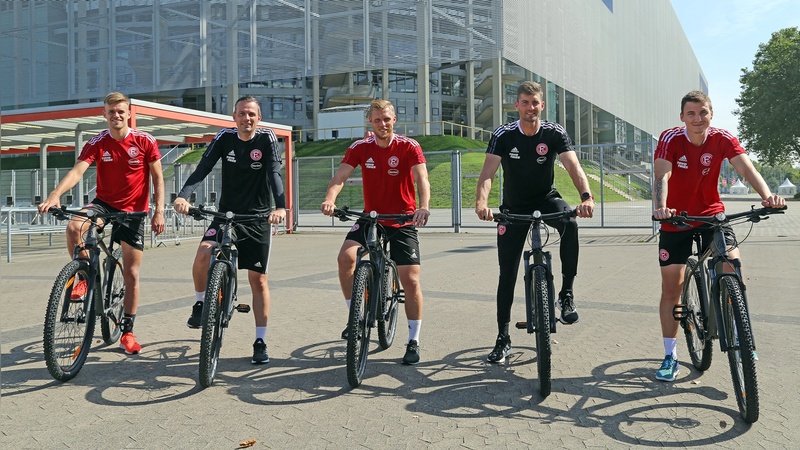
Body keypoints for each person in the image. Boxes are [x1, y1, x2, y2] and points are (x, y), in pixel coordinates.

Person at [652, 90, 785, 381]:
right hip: (676, 219)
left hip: (712, 215)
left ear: (711, 114)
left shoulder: (722, 138)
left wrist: (767, 196)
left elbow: (746, 168)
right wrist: (661, 207)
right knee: (671, 290)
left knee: (733, 269)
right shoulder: (670, 138)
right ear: (682, 117)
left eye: (703, 112)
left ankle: (742, 337)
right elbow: (662, 174)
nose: (697, 119)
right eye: (691, 113)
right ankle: (669, 356)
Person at [475, 81, 594, 364]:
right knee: (507, 274)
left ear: (542, 105)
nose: (531, 108)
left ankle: (566, 294)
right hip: (513, 207)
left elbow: (573, 166)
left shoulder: (554, 133)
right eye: (525, 103)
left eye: (535, 103)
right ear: (517, 106)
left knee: (570, 223)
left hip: (545, 199)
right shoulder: (503, 135)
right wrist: (482, 203)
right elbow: (488, 173)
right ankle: (502, 338)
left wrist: (586, 197)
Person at [38, 91, 166, 355]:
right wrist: (55, 194)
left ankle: (127, 332)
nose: (116, 115)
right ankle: (83, 274)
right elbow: (78, 170)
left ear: (129, 112)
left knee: (131, 273)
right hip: (104, 204)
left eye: (121, 111)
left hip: (134, 211)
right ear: (104, 114)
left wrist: (159, 211)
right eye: (111, 111)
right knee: (75, 226)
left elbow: (158, 178)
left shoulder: (145, 140)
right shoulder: (98, 142)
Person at [173, 96, 286, 365]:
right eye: (241, 114)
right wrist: (183, 196)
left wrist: (280, 208)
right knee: (203, 254)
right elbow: (203, 167)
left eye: (251, 114)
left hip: (258, 218)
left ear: (259, 118)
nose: (246, 119)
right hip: (226, 216)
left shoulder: (267, 138)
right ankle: (201, 303)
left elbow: (273, 173)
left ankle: (260, 340)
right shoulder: (224, 137)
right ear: (233, 117)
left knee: (258, 281)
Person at [320, 99, 431, 365]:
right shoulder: (361, 147)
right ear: (370, 121)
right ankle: (355, 318)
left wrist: (424, 207)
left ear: (395, 119)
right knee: (345, 258)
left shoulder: (408, 146)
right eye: (378, 119)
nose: (383, 124)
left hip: (403, 219)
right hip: (372, 218)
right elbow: (340, 178)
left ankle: (413, 340)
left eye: (388, 119)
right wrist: (330, 199)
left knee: (411, 280)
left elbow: (422, 178)